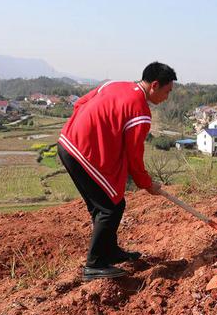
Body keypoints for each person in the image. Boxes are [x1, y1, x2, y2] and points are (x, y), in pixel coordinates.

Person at [57, 62, 177, 280]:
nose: (166, 97)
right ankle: (94, 265)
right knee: (108, 209)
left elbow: (81, 103)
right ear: (155, 85)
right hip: (83, 153)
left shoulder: (115, 85)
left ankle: (109, 251)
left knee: (110, 204)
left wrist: (87, 130)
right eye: (167, 91)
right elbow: (134, 156)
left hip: (68, 142)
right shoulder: (140, 110)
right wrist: (146, 183)